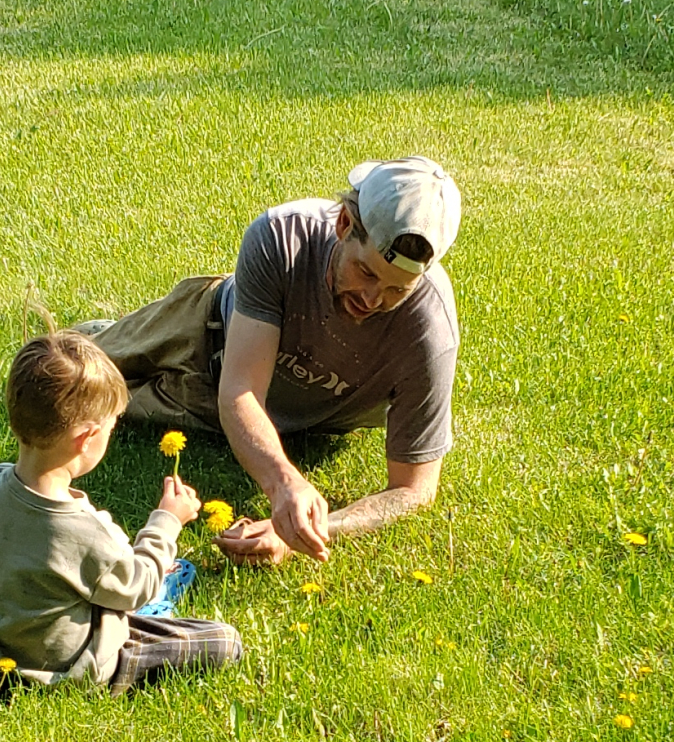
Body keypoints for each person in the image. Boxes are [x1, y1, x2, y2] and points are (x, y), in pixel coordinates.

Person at [86, 156, 461, 568]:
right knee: (73, 376)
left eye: (396, 291)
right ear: (343, 224)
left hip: (225, 409)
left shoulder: (429, 328)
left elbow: (414, 489)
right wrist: (285, 484)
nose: (372, 299)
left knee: (108, 408)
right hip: (206, 329)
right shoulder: (283, 236)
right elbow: (241, 390)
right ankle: (101, 331)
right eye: (366, 272)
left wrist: (308, 529)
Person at [0, 332, 242, 692]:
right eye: (112, 427)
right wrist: (166, 521)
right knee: (224, 640)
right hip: (71, 666)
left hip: (0, 648)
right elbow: (138, 586)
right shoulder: (80, 530)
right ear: (86, 439)